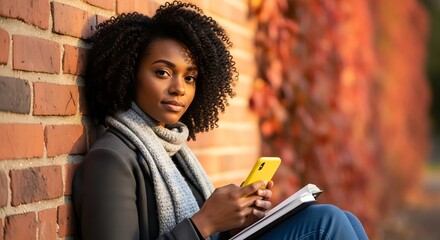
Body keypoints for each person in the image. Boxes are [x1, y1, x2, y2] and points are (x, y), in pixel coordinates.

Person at [72, 1, 369, 239]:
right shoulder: (111, 160)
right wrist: (205, 222)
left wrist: (237, 221)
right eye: (162, 72)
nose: (179, 88)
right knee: (326, 222)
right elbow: (200, 229)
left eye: (190, 77)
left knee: (347, 220)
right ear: (128, 75)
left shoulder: (173, 151)